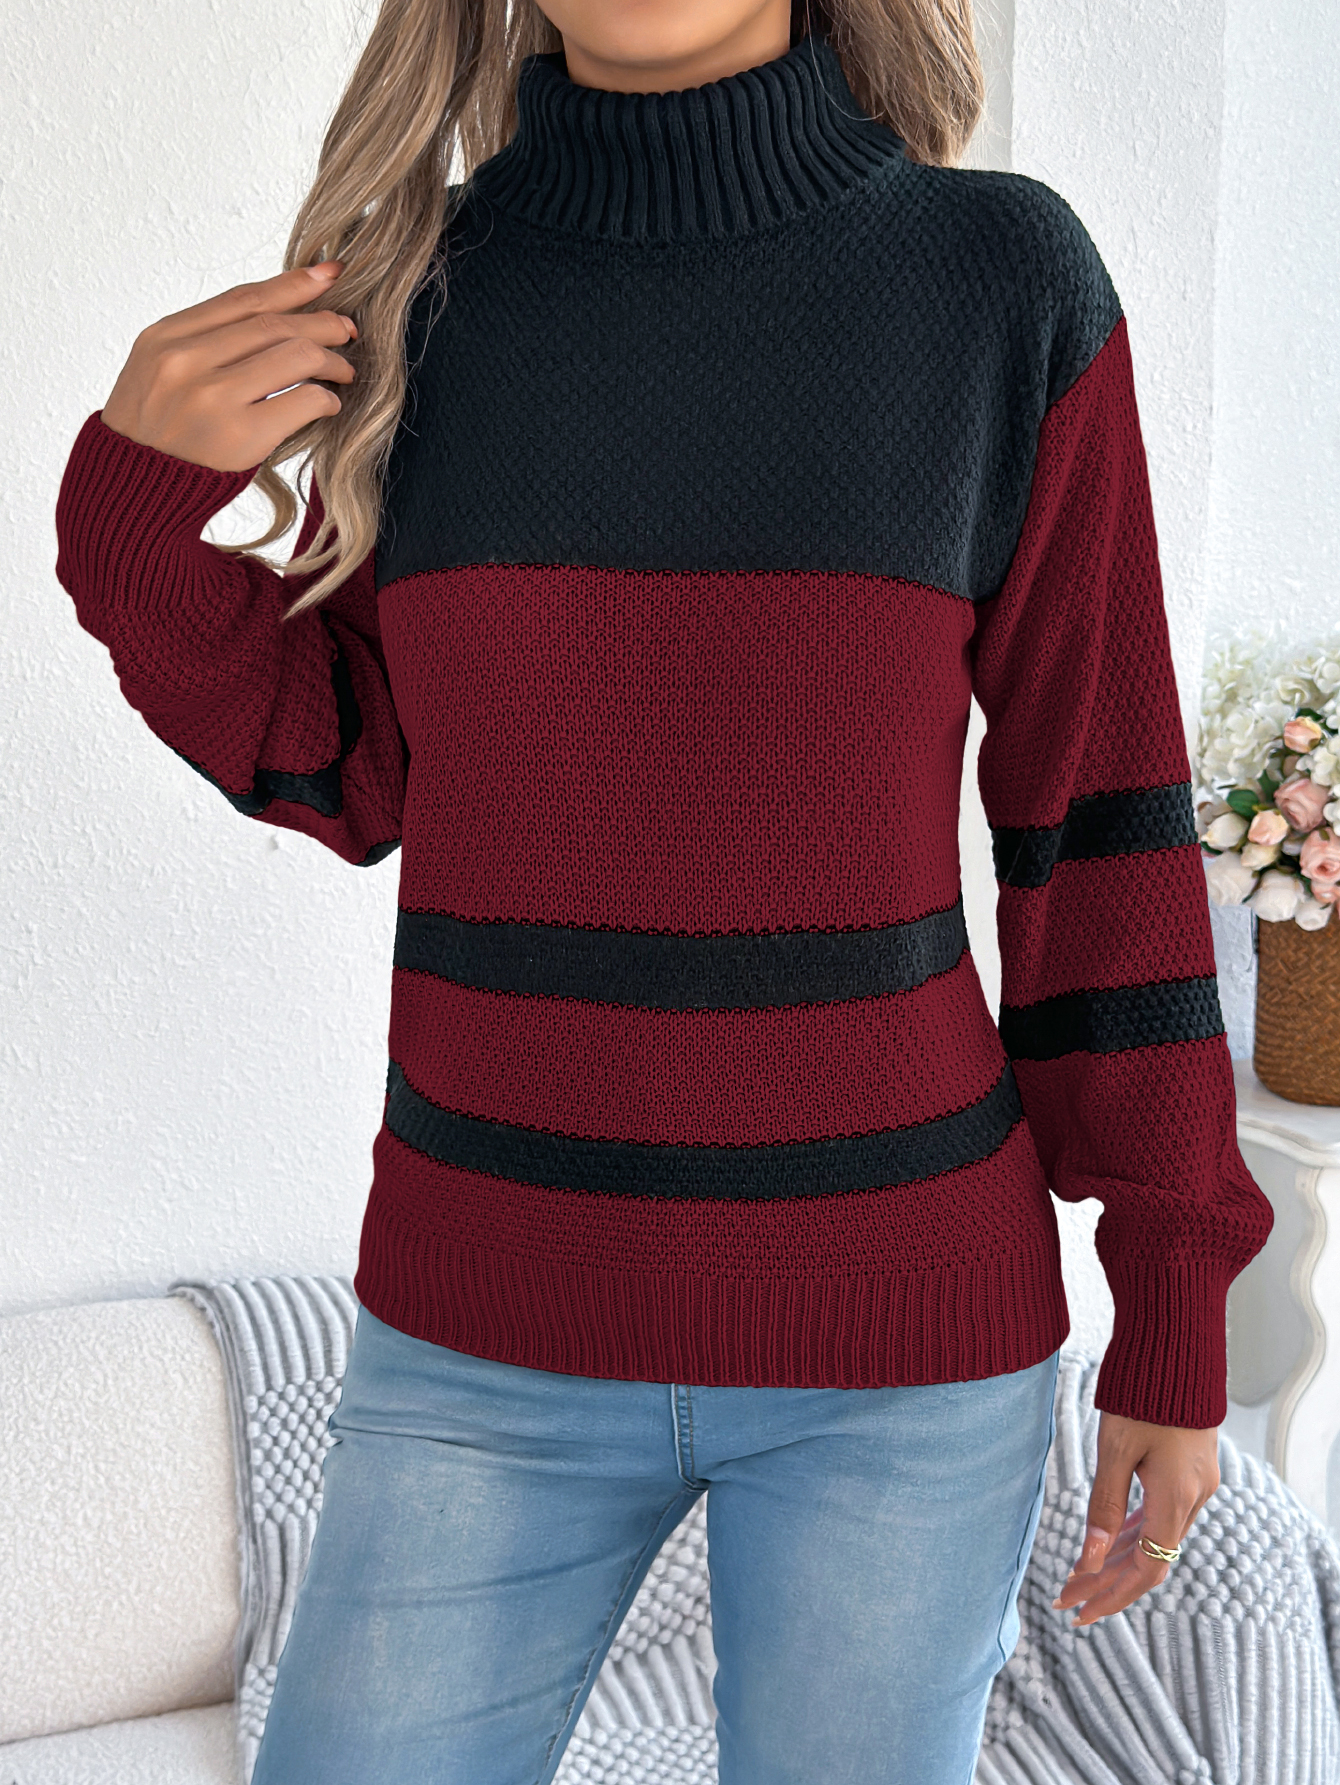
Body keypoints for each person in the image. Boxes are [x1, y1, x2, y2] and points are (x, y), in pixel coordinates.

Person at [53, 0, 1275, 1779]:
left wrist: (1171, 1292)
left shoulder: (999, 284)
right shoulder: (420, 296)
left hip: (901, 1348)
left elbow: (1098, 826)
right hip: (482, 1325)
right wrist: (134, 522)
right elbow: (364, 767)